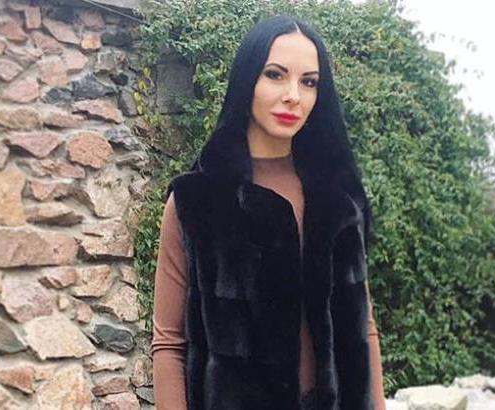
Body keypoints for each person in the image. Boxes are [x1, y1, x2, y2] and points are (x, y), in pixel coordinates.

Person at [151, 15, 385, 410]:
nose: (294, 95)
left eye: (309, 82)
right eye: (275, 75)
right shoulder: (196, 202)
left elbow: (364, 327)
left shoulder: (339, 200)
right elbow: (169, 343)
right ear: (248, 80)